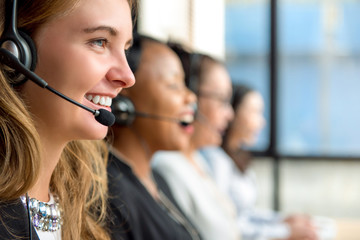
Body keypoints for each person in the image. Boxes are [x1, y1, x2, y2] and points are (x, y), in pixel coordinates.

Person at [0, 0, 137, 239]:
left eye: (125, 49)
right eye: (99, 41)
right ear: (16, 52)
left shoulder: (86, 198)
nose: (127, 77)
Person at [106, 34, 201, 240]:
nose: (191, 97)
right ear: (123, 102)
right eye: (174, 84)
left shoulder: (157, 178)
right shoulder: (108, 193)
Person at [200, 84, 319, 240]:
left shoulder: (239, 156)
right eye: (254, 112)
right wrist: (284, 231)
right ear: (233, 112)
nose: (262, 122)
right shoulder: (216, 160)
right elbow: (226, 226)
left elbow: (245, 214)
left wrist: (280, 220)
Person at [152, 50, 242, 240]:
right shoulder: (167, 166)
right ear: (191, 97)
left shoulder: (199, 159)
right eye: (222, 100)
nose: (230, 115)